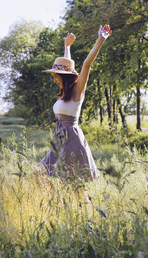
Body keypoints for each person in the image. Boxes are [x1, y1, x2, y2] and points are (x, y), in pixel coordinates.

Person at [39, 25, 111, 199]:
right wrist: (67, 46)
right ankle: (54, 205)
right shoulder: (64, 94)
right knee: (39, 174)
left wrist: (100, 39)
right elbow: (67, 66)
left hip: (72, 140)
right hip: (60, 139)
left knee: (76, 186)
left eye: (56, 76)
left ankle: (85, 217)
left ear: (64, 77)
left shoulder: (77, 92)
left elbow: (86, 65)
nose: (54, 79)